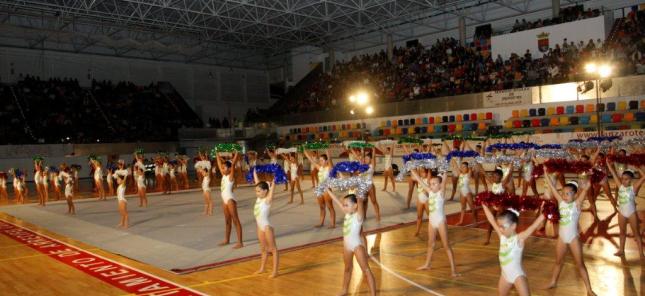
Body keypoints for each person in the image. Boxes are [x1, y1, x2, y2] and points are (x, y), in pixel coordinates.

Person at [543, 168, 595, 295]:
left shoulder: (577, 203)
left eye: (568, 193)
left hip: (573, 238)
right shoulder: (561, 202)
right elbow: (551, 185)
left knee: (580, 264)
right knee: (558, 262)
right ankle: (553, 281)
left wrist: (590, 174)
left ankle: (589, 289)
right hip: (562, 238)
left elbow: (587, 186)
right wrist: (545, 171)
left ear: (575, 194)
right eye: (563, 193)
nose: (564, 195)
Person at [482, 204, 545, 296]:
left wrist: (544, 214)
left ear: (513, 226)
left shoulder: (518, 238)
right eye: (499, 226)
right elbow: (491, 220)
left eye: (502, 226)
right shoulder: (502, 236)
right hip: (504, 276)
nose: (500, 229)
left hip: (517, 276)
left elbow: (533, 227)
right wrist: (483, 204)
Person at [325, 189, 376, 296]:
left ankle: (373, 294)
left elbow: (360, 202)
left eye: (346, 205)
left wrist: (360, 197)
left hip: (357, 246)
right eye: (344, 205)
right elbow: (336, 201)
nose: (344, 206)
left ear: (355, 206)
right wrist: (327, 190)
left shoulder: (359, 217)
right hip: (346, 247)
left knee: (366, 271)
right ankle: (344, 290)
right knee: (347, 269)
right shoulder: (347, 214)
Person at [410, 169, 460, 276]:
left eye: (434, 184)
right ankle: (427, 264)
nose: (431, 185)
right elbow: (419, 180)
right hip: (431, 222)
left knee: (446, 245)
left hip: (441, 222)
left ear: (440, 185)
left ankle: (454, 270)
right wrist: (411, 168)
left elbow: (445, 178)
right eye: (431, 184)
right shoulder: (430, 192)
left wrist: (445, 168)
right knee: (430, 244)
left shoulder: (441, 193)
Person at [606, 157, 645, 260]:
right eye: (622, 179)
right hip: (622, 213)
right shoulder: (620, 186)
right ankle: (621, 250)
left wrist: (638, 168)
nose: (623, 181)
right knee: (622, 232)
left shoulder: (633, 188)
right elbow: (613, 173)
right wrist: (608, 164)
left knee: (636, 233)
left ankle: (641, 253)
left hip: (631, 213)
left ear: (631, 180)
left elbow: (644, 176)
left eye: (626, 179)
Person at [252, 170, 279, 278]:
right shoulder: (259, 198)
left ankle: (275, 271)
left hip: (267, 227)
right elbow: (257, 182)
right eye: (256, 191)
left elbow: (271, 190)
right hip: (260, 227)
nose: (256, 193)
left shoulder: (267, 200)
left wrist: (274, 182)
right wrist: (254, 171)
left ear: (265, 191)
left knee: (273, 249)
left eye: (258, 191)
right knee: (263, 249)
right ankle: (262, 268)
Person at [215, 151, 244, 249]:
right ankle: (227, 240)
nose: (222, 169)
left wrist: (236, 153)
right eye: (222, 168)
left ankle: (240, 242)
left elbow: (233, 163)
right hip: (224, 200)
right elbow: (219, 163)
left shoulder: (230, 176)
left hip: (230, 200)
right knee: (227, 221)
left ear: (229, 168)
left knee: (235, 220)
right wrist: (217, 153)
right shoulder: (224, 175)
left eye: (224, 168)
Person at [304, 149, 336, 228]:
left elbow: (330, 160)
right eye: (320, 160)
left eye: (322, 160)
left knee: (330, 207)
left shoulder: (329, 168)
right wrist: (305, 151)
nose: (320, 161)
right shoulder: (320, 168)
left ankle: (332, 224)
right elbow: (311, 160)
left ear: (326, 161)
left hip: (327, 189)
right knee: (321, 207)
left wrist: (327, 152)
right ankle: (321, 223)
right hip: (319, 189)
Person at [454, 159, 476, 226]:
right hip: (462, 193)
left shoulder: (468, 175)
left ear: (467, 168)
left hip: (467, 193)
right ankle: (461, 221)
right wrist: (452, 156)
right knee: (463, 208)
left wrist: (470, 163)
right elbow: (455, 165)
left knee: (472, 207)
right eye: (462, 166)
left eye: (464, 167)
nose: (462, 168)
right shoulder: (460, 174)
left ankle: (475, 221)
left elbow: (471, 167)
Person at [413, 169, 429, 237]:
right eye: (421, 172)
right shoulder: (419, 179)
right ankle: (417, 231)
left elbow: (429, 173)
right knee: (419, 216)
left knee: (431, 217)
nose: (422, 174)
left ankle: (434, 231)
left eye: (424, 172)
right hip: (420, 199)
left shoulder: (429, 179)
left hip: (427, 200)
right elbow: (413, 175)